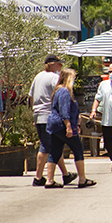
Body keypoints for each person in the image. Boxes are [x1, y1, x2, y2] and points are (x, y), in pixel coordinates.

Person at [28, 54, 76, 187]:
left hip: (38, 115)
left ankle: (65, 175)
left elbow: (31, 96)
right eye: (58, 63)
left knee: (53, 146)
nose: (60, 66)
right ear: (50, 64)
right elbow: (60, 95)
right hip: (49, 115)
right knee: (46, 147)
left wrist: (33, 112)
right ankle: (39, 177)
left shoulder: (38, 76)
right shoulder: (54, 77)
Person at [45, 68, 96, 188]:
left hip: (55, 126)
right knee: (78, 149)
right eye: (73, 78)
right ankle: (82, 179)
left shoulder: (58, 90)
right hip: (61, 125)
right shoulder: (64, 92)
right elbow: (64, 111)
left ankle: (50, 180)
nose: (74, 80)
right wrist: (69, 127)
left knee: (55, 151)